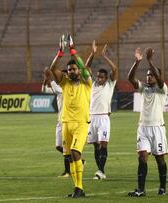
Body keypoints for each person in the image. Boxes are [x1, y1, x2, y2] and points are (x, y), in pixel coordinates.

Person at [50, 34, 92, 198]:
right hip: (66, 123)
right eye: (69, 70)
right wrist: (60, 53)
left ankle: (80, 187)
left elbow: (83, 68)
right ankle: (77, 188)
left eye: (74, 69)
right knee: (69, 157)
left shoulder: (87, 83)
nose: (71, 71)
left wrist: (73, 51)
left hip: (81, 123)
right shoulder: (65, 83)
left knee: (75, 152)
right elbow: (53, 69)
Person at [127, 48, 168, 197]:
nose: (149, 77)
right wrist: (137, 62)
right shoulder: (143, 88)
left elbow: (161, 80)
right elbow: (130, 78)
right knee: (142, 156)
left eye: (152, 75)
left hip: (157, 128)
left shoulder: (162, 89)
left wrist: (150, 61)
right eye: (148, 75)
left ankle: (163, 187)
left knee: (159, 159)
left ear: (157, 78)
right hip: (143, 128)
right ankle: (141, 189)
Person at [85, 40, 118, 180]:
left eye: (101, 77)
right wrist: (92, 54)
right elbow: (86, 67)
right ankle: (101, 171)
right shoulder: (92, 84)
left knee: (103, 144)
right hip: (91, 117)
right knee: (95, 146)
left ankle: (100, 170)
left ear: (106, 78)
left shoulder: (110, 84)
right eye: (97, 76)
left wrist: (105, 57)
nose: (99, 78)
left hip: (104, 117)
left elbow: (115, 70)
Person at [41, 67, 70, 178]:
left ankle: (67, 171)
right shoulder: (59, 87)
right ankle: (78, 160)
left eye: (62, 75)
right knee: (58, 146)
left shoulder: (67, 87)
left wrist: (50, 78)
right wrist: (46, 79)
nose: (60, 77)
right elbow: (44, 90)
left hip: (67, 120)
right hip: (60, 120)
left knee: (65, 147)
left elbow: (57, 90)